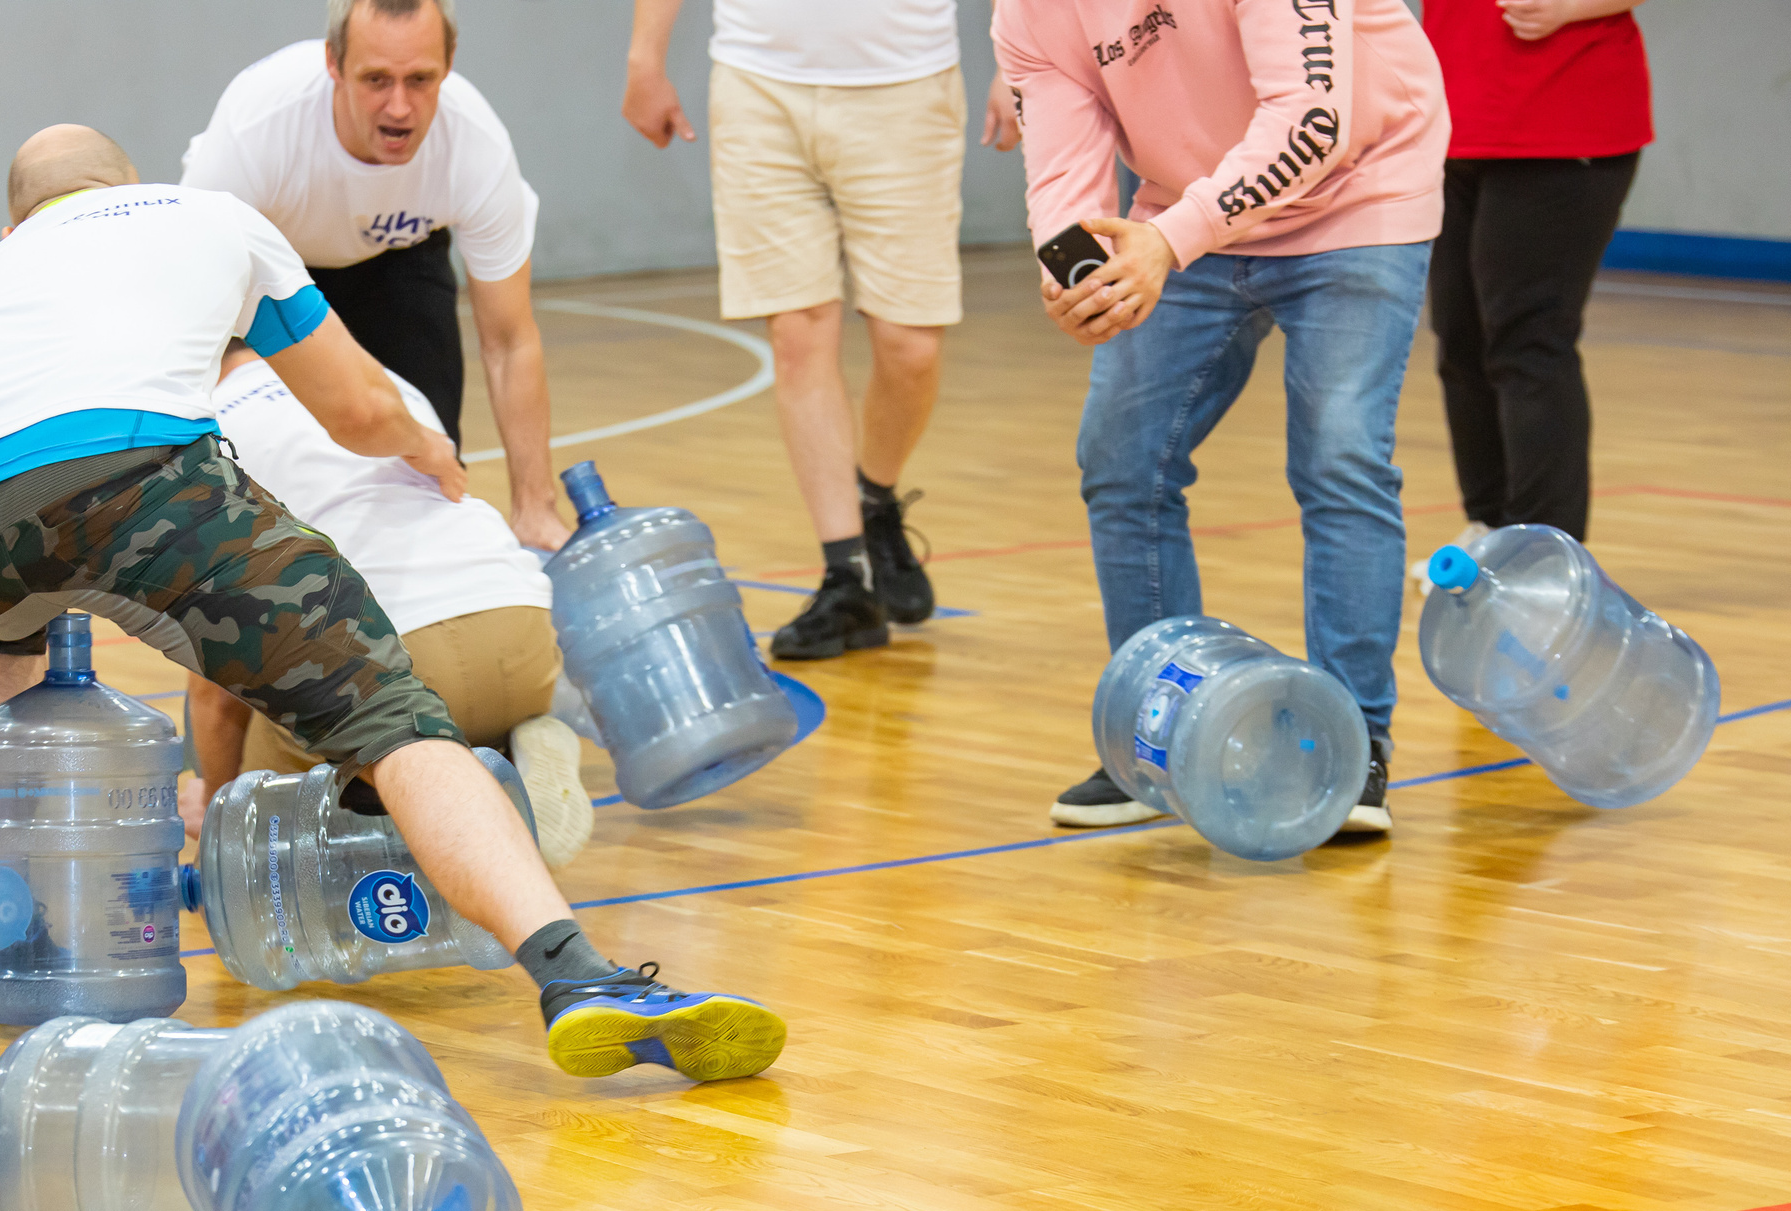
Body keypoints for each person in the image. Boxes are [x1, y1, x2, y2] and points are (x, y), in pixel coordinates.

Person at [0, 125, 784, 1085]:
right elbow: (355, 408)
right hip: (137, 468)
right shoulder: (212, 215)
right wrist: (427, 447)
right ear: (124, 183)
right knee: (392, 724)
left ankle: (11, 952)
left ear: (19, 217)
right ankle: (578, 976)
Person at [996, 0, 1449, 836]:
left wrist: (1170, 242)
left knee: (1339, 455)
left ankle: (1352, 747)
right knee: (1122, 460)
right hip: (1181, 213)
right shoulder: (1029, 9)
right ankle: (1158, 736)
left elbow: (1313, 119)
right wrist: (1081, 275)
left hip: (1359, 194)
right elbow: (1064, 168)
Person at [623, 0, 1007, 659]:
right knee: (798, 334)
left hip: (907, 86)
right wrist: (644, 57)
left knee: (909, 347)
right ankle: (847, 576)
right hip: (757, 84)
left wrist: (1018, 60)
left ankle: (874, 496)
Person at [182, 0, 572, 553]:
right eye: (375, 80)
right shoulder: (260, 123)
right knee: (272, 483)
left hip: (399, 265)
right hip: (268, 275)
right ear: (333, 64)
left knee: (426, 468)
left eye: (420, 80)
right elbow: (190, 301)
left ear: (450, 62)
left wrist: (535, 506)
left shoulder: (475, 145)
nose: (400, 107)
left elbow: (510, 341)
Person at [183, 341, 593, 868]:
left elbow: (215, 694)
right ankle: (508, 748)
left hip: (387, 661)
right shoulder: (381, 377)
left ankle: (418, 815)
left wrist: (219, 809)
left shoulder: (197, 434)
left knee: (266, 845)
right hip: (521, 631)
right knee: (426, 721)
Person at [1414, 0, 1652, 589]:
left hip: (1564, 120)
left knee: (1527, 342)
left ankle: (1547, 555)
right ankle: (1492, 527)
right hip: (1456, 121)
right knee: (1461, 338)